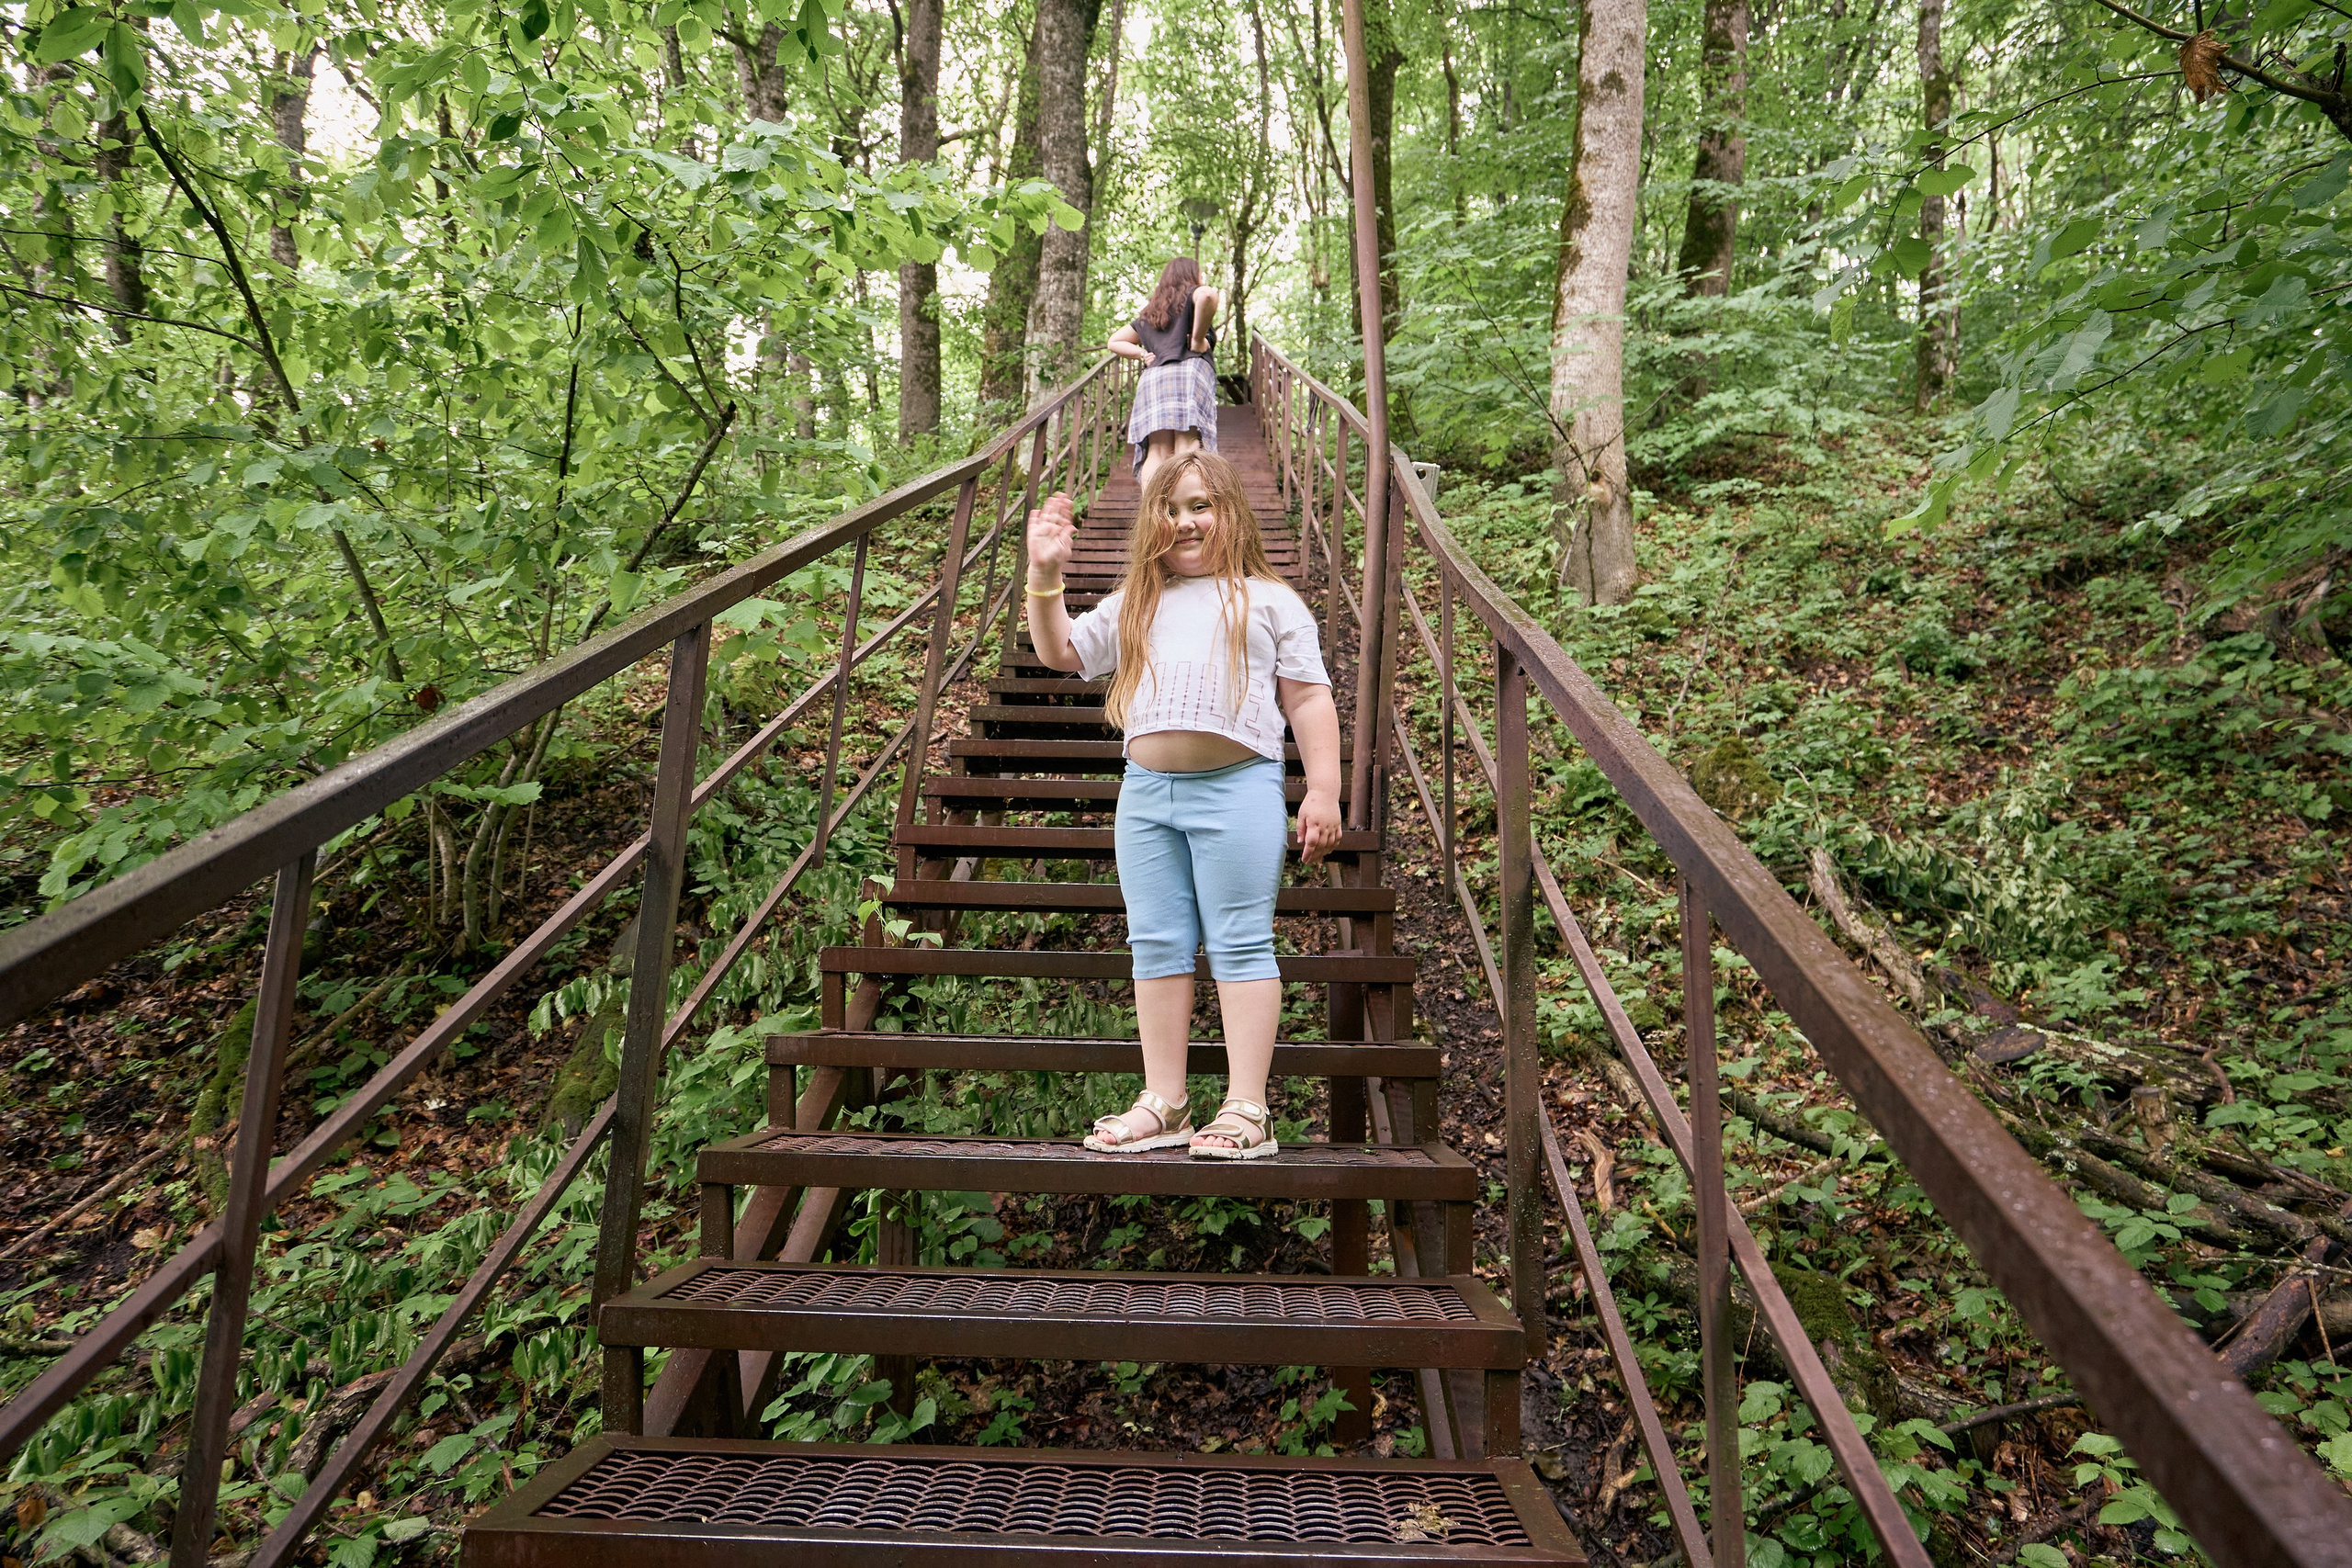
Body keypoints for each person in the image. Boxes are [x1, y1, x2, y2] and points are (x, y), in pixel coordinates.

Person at [1023, 451, 1342, 1159]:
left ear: (1232, 510)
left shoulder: (1269, 599)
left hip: (1239, 788)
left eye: (1201, 504)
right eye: (1170, 509)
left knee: (1239, 939)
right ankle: (1164, 1100)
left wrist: (1323, 789)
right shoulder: (1139, 598)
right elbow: (1061, 651)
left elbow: (1309, 697)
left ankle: (1247, 1107)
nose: (1186, 520)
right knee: (1157, 942)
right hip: (1146, 797)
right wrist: (1045, 577)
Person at [1109, 257, 1223, 492]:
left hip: (1154, 379)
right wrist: (1198, 338)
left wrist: (1141, 355)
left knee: (1157, 450)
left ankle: (1152, 510)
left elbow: (1114, 342)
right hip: (1189, 373)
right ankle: (1185, 501)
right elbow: (1209, 296)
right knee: (1187, 442)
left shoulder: (1151, 312)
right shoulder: (1193, 294)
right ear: (1192, 274)